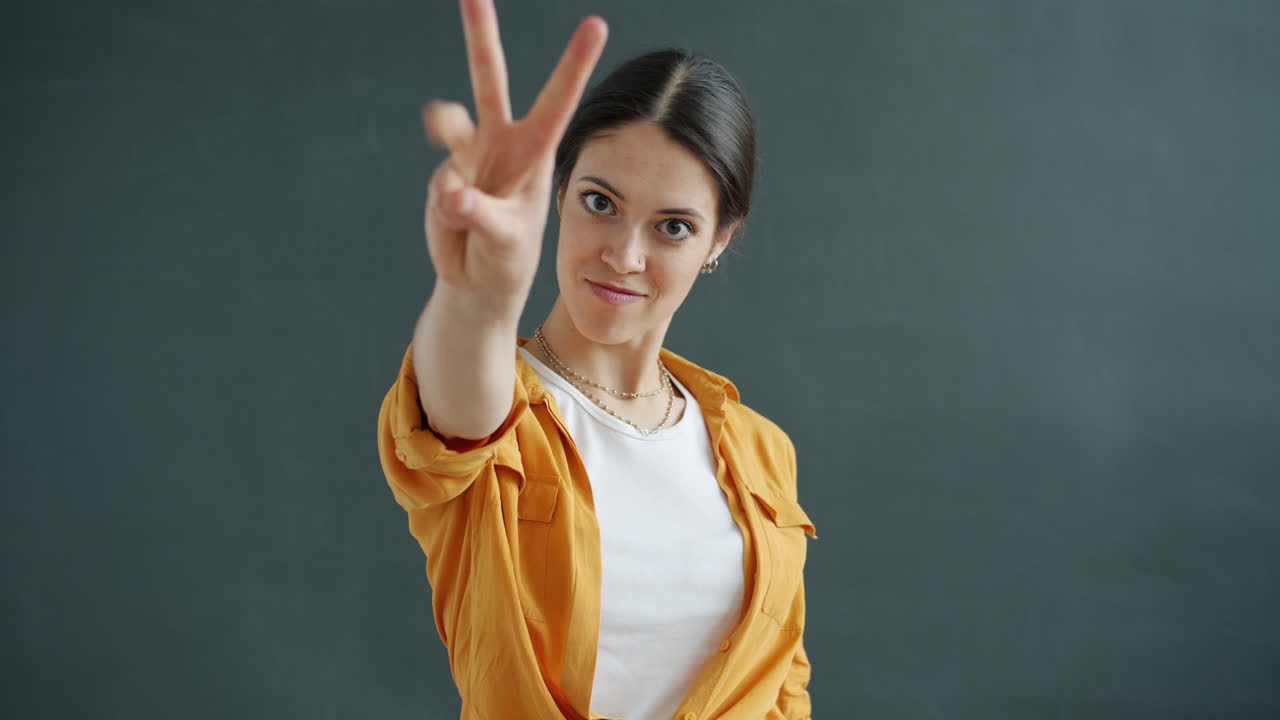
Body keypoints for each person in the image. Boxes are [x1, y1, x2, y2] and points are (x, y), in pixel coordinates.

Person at [376, 0, 817, 717]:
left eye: (673, 226)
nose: (625, 255)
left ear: (719, 242)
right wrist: (479, 298)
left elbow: (782, 686)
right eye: (600, 202)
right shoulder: (496, 416)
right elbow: (458, 405)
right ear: (558, 191)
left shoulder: (763, 455)